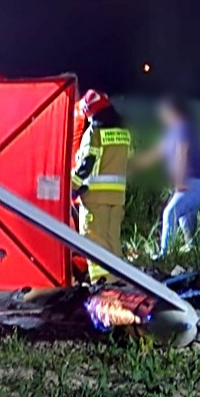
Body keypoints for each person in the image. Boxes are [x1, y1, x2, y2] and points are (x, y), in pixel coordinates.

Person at [133, 97, 200, 257]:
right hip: (194, 182)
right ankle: (193, 251)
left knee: (170, 213)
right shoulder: (174, 131)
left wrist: (179, 180)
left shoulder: (184, 127)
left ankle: (164, 254)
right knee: (184, 215)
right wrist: (134, 164)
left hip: (195, 182)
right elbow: (158, 152)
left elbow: (181, 154)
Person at [71, 90, 131, 282]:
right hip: (117, 198)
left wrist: (72, 186)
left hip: (95, 198)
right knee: (112, 242)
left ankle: (100, 283)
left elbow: (87, 163)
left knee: (92, 240)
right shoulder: (123, 133)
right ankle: (117, 280)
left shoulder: (94, 132)